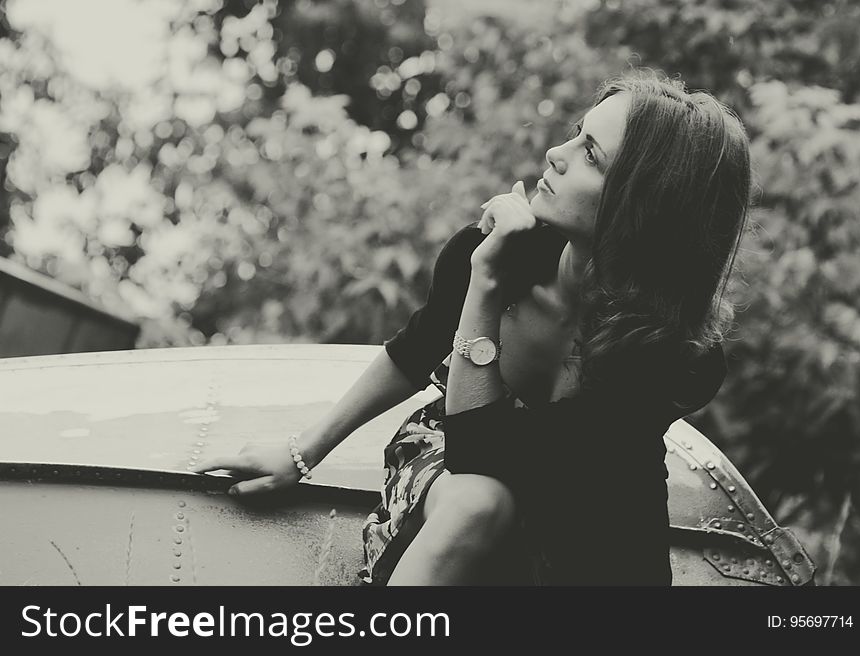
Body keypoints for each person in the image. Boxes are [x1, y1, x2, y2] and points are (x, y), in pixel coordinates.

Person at [195, 70, 751, 586]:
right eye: (575, 133)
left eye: (591, 155)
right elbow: (429, 380)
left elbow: (581, 486)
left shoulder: (680, 358)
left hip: (582, 490)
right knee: (479, 502)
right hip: (456, 458)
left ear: (644, 206)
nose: (555, 154)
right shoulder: (491, 254)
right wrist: (301, 455)